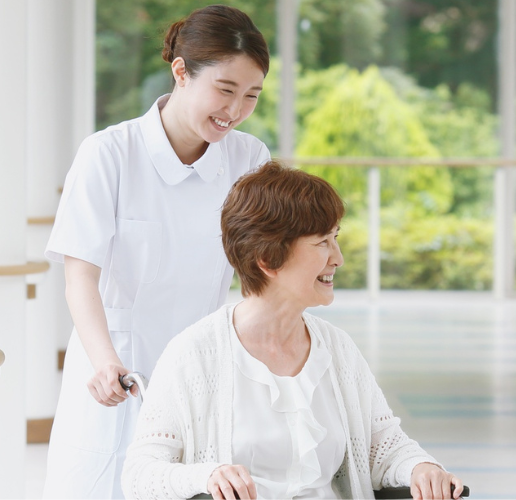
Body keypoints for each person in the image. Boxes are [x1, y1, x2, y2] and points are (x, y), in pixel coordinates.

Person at [121, 161, 465, 500]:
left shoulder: (337, 349)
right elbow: (139, 474)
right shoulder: (194, 354)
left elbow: (384, 446)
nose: (338, 258)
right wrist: (206, 476)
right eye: (322, 243)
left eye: (336, 238)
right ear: (269, 259)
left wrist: (420, 467)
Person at [42, 6, 271, 498]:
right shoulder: (109, 153)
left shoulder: (249, 158)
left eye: (251, 95)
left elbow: (262, 272)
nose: (234, 110)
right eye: (225, 90)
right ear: (181, 71)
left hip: (202, 369)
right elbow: (80, 276)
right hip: (117, 369)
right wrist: (104, 361)